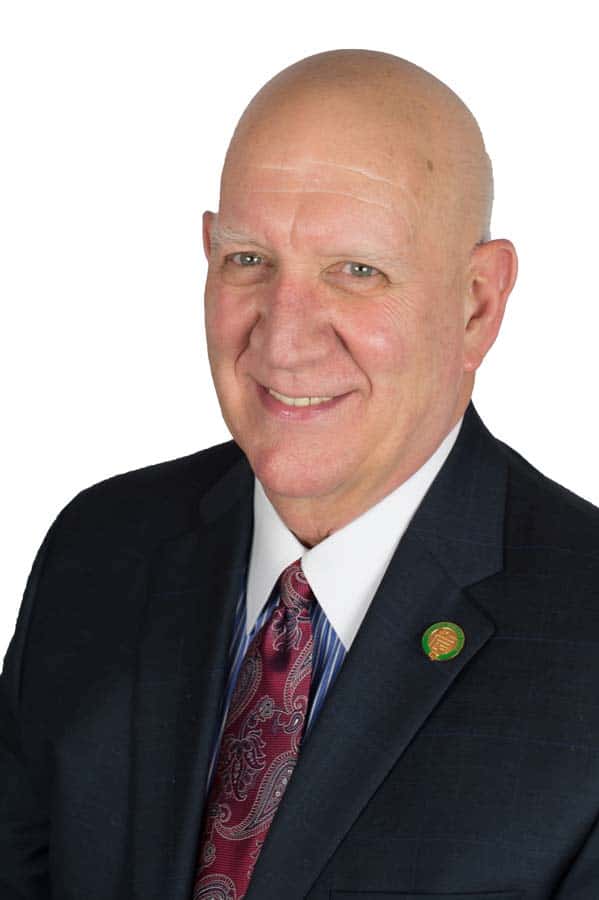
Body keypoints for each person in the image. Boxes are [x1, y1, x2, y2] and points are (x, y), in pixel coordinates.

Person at [1, 47, 598, 900]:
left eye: (357, 272)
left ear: (477, 302)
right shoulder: (98, 550)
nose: (282, 340)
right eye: (248, 260)